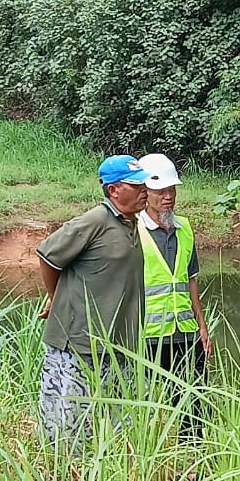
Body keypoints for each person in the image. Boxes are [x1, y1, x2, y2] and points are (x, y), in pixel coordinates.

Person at [36, 154, 150, 451]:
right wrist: (55, 297)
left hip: (121, 342)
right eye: (135, 186)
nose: (144, 191)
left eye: (144, 185)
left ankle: (117, 473)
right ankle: (66, 479)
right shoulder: (93, 221)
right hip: (82, 342)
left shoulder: (130, 223)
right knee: (71, 424)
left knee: (123, 419)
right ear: (113, 190)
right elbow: (48, 256)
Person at [135, 153, 212, 442]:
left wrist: (202, 326)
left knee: (194, 402)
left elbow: (190, 281)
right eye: (160, 192)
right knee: (150, 403)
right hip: (148, 336)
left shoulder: (185, 229)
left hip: (186, 333)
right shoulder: (133, 230)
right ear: (145, 193)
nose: (168, 197)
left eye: (172, 190)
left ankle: (193, 456)